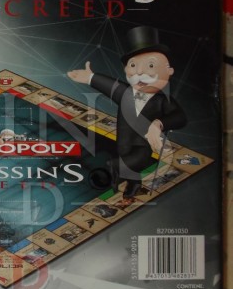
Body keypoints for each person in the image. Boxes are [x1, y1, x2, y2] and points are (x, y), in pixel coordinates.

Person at [67, 26, 187, 199]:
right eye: (133, 65)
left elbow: (180, 117)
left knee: (115, 165)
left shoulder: (163, 101)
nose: (139, 72)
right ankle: (134, 184)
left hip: (142, 149)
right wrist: (90, 77)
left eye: (150, 65)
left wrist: (158, 124)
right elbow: (107, 85)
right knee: (128, 170)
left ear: (169, 71)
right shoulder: (125, 93)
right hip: (122, 145)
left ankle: (118, 182)